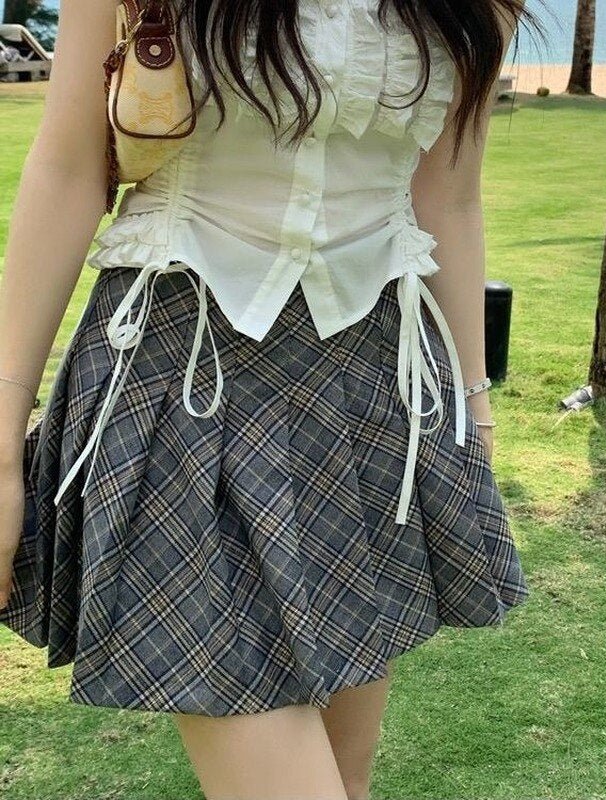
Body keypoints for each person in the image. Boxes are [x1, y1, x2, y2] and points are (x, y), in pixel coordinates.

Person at [0, 0, 545, 797]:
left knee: (345, 781)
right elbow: (69, 169)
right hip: (180, 385)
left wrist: (472, 409)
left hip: (371, 395)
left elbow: (449, 198)